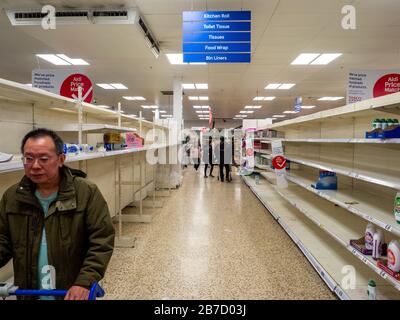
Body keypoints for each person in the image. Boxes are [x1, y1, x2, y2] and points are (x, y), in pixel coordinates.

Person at [0, 128, 115, 300]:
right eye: (29, 158)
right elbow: (3, 240)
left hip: (70, 292)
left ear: (61, 159)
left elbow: (102, 241)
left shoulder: (85, 192)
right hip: (29, 291)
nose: (35, 165)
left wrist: (84, 282)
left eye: (44, 159)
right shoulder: (13, 196)